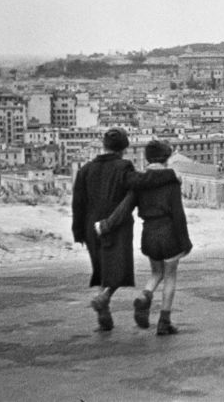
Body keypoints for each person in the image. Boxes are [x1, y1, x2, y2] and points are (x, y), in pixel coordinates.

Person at [72, 128, 179, 331]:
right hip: (117, 225)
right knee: (118, 269)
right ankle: (103, 298)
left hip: (91, 226)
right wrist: (169, 176)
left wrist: (79, 232)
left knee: (103, 269)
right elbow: (141, 182)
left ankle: (104, 309)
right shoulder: (123, 167)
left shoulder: (85, 169)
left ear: (104, 145)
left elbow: (78, 203)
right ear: (123, 149)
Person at [95, 140, 192, 335]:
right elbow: (178, 214)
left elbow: (124, 209)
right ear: (166, 159)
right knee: (170, 276)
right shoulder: (171, 181)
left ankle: (145, 296)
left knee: (156, 272)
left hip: (149, 234)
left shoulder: (139, 182)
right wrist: (185, 242)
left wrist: (105, 226)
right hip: (169, 233)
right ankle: (164, 321)